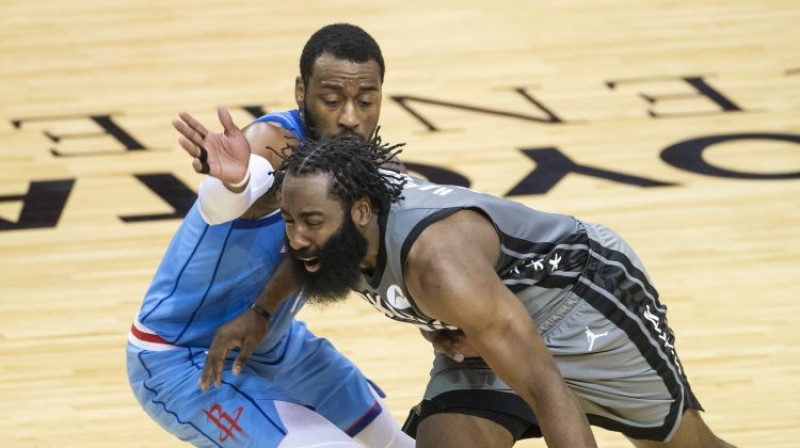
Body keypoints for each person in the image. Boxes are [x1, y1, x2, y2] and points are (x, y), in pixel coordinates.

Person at [266, 134, 736, 448]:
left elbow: (543, 386)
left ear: (362, 212)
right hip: (482, 318)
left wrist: (445, 313)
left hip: (580, 297)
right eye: (290, 220)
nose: (297, 237)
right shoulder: (334, 236)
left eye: (311, 222)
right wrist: (258, 313)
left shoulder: (440, 270)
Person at [127, 24, 413, 448]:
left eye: (366, 101)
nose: (351, 118)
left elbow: (334, 258)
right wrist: (233, 185)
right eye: (332, 101)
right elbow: (230, 200)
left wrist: (436, 327)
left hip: (272, 339)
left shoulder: (367, 167)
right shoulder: (270, 143)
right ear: (302, 92)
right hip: (180, 355)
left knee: (395, 444)